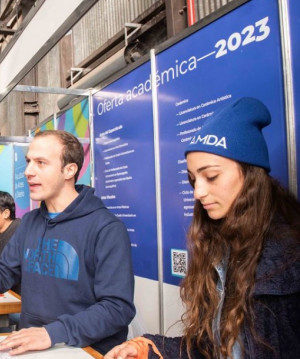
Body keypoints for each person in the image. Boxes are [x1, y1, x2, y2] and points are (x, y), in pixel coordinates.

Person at [105, 98, 300, 359]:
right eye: (193, 179)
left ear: (251, 174)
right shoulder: (219, 250)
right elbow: (212, 349)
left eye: (212, 176)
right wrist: (151, 349)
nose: (198, 192)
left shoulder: (290, 257)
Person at [0, 130, 135, 356]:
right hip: (31, 347)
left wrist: (52, 333)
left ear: (69, 170)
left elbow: (117, 308)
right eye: (28, 162)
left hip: (83, 350)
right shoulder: (29, 222)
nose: (28, 171)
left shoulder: (106, 228)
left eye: (41, 163)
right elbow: (5, 268)